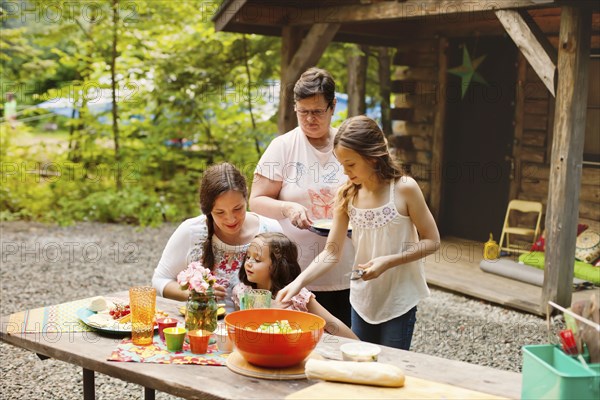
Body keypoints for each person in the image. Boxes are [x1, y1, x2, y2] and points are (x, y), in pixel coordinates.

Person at [277, 115, 440, 350]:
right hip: (362, 298)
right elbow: (331, 253)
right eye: (341, 164)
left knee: (389, 368)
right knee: (361, 364)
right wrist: (298, 282)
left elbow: (432, 241)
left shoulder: (404, 189)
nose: (345, 172)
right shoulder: (347, 195)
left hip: (399, 299)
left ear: (373, 158)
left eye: (350, 164)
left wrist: (389, 261)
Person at [249, 67, 354, 327]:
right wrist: (287, 208)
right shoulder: (283, 147)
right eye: (302, 111)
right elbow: (257, 200)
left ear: (333, 107)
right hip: (297, 274)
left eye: (317, 111)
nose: (309, 119)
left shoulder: (349, 144)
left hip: (348, 270)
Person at [152, 162, 282, 313]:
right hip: (203, 329)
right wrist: (194, 294)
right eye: (220, 212)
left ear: (246, 196)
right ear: (208, 210)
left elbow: (289, 285)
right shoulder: (191, 231)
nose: (231, 219)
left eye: (238, 208)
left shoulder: (270, 230)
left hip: (258, 327)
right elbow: (159, 280)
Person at [232, 232, 358, 340]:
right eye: (248, 257)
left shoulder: (297, 295)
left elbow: (331, 323)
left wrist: (360, 345)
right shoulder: (241, 292)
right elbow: (240, 328)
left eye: (257, 260)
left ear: (278, 265)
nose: (248, 263)